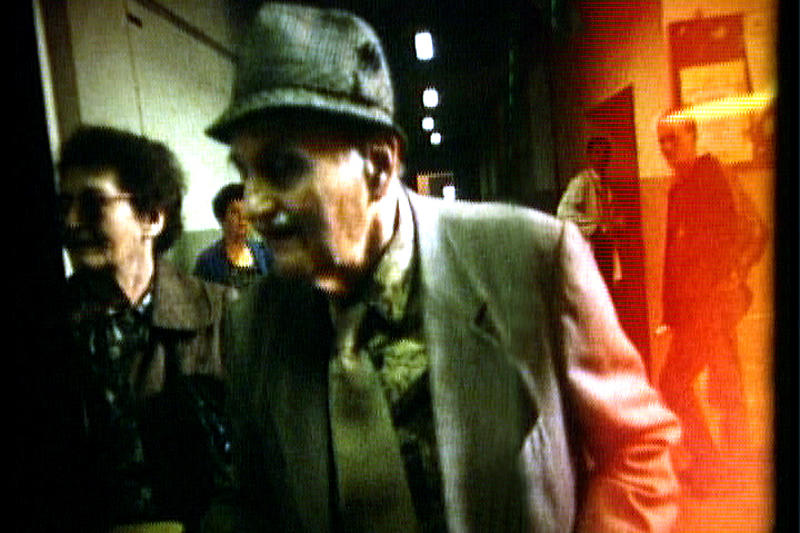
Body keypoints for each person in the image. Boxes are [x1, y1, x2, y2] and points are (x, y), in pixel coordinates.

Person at [204, 4, 680, 532]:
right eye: (244, 172)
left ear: (378, 166)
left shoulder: (531, 261)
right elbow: (250, 502)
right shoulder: (255, 326)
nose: (254, 204)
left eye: (282, 167)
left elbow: (638, 452)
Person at [58, 126, 232, 532]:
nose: (71, 221)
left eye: (93, 204)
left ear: (152, 217)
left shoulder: (224, 316)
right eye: (63, 204)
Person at [656, 112, 766, 497]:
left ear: (693, 135)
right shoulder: (679, 187)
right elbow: (675, 257)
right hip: (695, 309)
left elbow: (739, 236)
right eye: (662, 141)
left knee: (680, 383)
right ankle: (722, 468)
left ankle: (717, 468)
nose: (667, 147)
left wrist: (725, 283)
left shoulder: (710, 176)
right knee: (719, 383)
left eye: (674, 138)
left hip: (712, 305)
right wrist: (672, 312)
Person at [556, 136, 619, 289]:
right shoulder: (581, 182)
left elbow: (607, 215)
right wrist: (595, 227)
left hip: (605, 247)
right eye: (597, 153)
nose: (602, 158)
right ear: (590, 156)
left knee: (607, 288)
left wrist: (615, 222)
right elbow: (563, 212)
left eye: (605, 154)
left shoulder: (605, 184)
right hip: (589, 247)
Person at [193, 183, 272, 290]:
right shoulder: (207, 262)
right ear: (222, 219)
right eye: (235, 212)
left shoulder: (265, 252)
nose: (242, 218)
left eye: (246, 211)